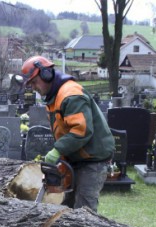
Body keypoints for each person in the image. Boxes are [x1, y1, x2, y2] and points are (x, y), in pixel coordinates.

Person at [21, 55, 115, 212]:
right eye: (30, 84)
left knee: (84, 209)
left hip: (93, 159)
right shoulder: (54, 97)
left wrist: (58, 150)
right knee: (66, 208)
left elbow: (81, 131)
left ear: (46, 74)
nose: (34, 88)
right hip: (76, 158)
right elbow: (63, 131)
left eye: (34, 82)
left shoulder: (70, 94)